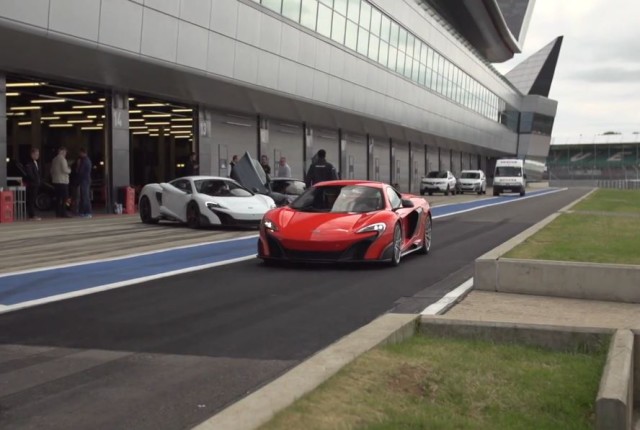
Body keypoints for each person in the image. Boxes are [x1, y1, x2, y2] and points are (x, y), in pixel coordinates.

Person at [51, 146, 72, 218]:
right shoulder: (63, 159)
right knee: (65, 198)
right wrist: (69, 170)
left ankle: (58, 213)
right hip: (63, 181)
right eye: (65, 152)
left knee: (58, 198)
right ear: (62, 151)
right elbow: (65, 170)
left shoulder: (54, 159)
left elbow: (51, 171)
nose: (65, 154)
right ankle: (64, 212)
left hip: (56, 181)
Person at [24, 147, 41, 221]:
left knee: (33, 199)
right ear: (32, 154)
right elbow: (30, 174)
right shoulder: (29, 163)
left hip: (35, 184)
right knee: (31, 200)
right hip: (32, 184)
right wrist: (35, 180)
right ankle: (32, 215)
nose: (38, 155)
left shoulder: (36, 162)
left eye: (38, 154)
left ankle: (32, 214)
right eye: (36, 154)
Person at [76, 148, 92, 218]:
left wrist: (78, 166)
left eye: (80, 153)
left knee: (85, 197)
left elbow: (80, 171)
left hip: (84, 180)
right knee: (84, 196)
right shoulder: (87, 160)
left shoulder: (84, 161)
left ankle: (87, 212)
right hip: (86, 180)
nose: (79, 154)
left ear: (83, 153)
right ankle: (83, 212)